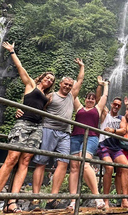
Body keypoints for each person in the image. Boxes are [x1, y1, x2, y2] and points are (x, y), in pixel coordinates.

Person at [0, 41, 55, 213]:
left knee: (25, 162)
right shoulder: (30, 84)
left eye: (52, 79)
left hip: (37, 128)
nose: (49, 80)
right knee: (11, 159)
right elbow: (20, 68)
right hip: (23, 124)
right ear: (42, 77)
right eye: (47, 77)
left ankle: (12, 202)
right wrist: (12, 51)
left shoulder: (47, 97)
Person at [28, 58, 85, 210]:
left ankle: (53, 198)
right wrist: (22, 111)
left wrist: (82, 66)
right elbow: (37, 106)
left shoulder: (72, 96)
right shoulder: (51, 96)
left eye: (69, 85)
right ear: (60, 84)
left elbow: (80, 79)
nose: (67, 86)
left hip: (65, 133)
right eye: (65, 84)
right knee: (41, 162)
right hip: (48, 130)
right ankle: (35, 199)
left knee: (63, 163)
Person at [67, 78, 109, 211]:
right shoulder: (79, 107)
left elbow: (104, 96)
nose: (90, 100)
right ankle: (73, 200)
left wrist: (105, 85)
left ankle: (97, 197)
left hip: (91, 137)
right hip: (75, 137)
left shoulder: (98, 108)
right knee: (74, 167)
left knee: (84, 164)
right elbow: (73, 93)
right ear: (85, 99)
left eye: (92, 98)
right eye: (88, 98)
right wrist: (76, 82)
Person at [97, 89, 128, 208]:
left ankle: (124, 200)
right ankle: (106, 201)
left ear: (120, 107)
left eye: (119, 105)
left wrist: (112, 130)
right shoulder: (105, 114)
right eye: (115, 104)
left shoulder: (121, 118)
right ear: (111, 104)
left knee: (126, 166)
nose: (116, 106)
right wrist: (101, 86)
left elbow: (123, 131)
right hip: (103, 145)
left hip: (115, 147)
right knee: (109, 167)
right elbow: (98, 99)